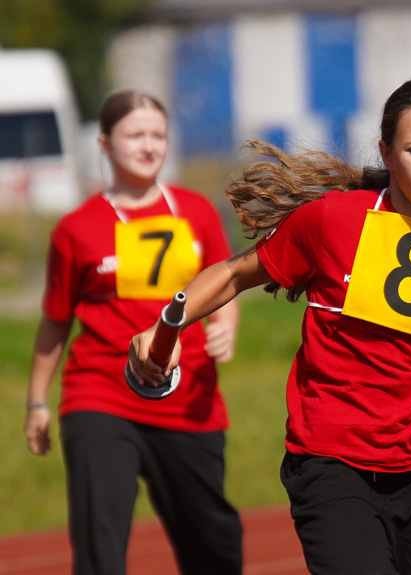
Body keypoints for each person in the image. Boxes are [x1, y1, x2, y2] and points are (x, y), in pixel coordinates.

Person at [128, 77, 411, 575]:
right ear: (387, 151)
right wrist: (168, 323)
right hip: (330, 465)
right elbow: (233, 274)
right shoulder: (331, 221)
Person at [23, 90, 243, 575]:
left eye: (158, 135)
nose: (149, 145)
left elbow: (227, 284)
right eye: (135, 135)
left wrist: (225, 326)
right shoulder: (76, 228)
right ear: (104, 143)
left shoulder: (197, 212)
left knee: (214, 543)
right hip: (100, 393)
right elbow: (56, 319)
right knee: (100, 545)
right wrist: (37, 402)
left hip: (188, 398)